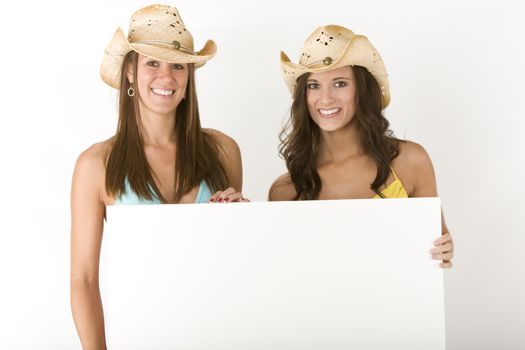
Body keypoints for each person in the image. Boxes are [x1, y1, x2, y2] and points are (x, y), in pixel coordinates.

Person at [70, 4, 243, 348]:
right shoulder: (96, 164)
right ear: (130, 71)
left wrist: (243, 220)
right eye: (153, 62)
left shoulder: (224, 150)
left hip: (217, 334)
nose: (167, 77)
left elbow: (229, 264)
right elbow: (83, 279)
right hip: (136, 336)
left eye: (178, 65)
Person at [269, 25, 453, 268]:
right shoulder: (286, 190)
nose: (325, 99)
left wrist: (444, 252)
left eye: (340, 83)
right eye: (313, 85)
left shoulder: (410, 161)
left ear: (362, 90)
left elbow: (437, 254)